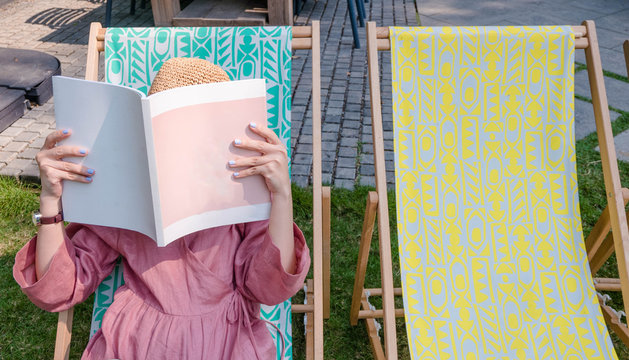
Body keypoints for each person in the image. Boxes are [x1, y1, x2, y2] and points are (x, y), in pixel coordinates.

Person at [13, 58, 311, 359]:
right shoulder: (128, 192)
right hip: (138, 342)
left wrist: (281, 194)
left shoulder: (243, 193)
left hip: (226, 342)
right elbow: (58, 290)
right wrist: (50, 200)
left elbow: (271, 288)